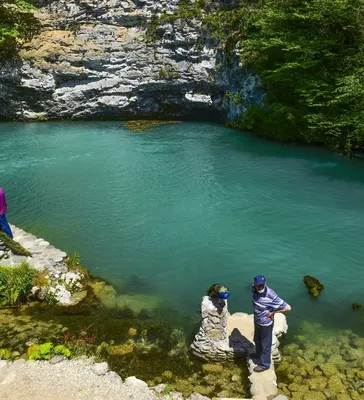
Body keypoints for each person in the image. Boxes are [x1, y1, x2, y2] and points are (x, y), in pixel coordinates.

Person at [251, 274, 291, 372]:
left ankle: (265, 364)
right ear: (254, 284)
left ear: (265, 283)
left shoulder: (270, 295)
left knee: (266, 345)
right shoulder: (254, 289)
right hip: (257, 321)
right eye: (258, 285)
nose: (260, 287)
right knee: (257, 339)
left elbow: (287, 308)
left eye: (262, 285)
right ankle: (258, 354)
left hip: (266, 325)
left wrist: (274, 312)